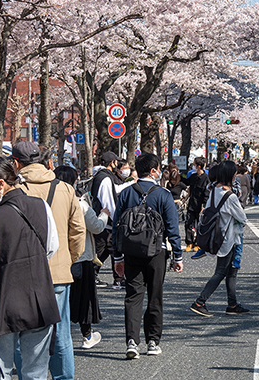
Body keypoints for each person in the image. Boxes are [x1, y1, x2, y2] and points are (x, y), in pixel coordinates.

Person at [0, 156, 60, 380]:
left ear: (0, 184)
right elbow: (51, 247)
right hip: (40, 299)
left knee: (0, 377)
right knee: (35, 378)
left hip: (4, 303)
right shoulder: (41, 207)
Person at [10, 140, 85, 380]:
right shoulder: (64, 188)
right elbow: (78, 230)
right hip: (58, 270)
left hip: (22, 270)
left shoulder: (16, 190)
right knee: (60, 328)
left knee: (23, 330)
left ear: (17, 163)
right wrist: (68, 258)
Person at [112, 153, 184, 359]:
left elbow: (117, 226)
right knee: (155, 295)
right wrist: (177, 256)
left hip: (131, 251)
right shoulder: (163, 194)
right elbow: (172, 227)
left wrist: (117, 257)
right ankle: (152, 341)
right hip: (157, 251)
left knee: (133, 296)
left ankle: (131, 342)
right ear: (153, 170)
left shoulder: (126, 193)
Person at [55, 165, 107, 350]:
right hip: (81, 256)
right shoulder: (80, 204)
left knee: (60, 298)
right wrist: (105, 215)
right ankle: (87, 335)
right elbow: (97, 227)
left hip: (57, 257)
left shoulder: (50, 202)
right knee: (84, 298)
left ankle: (57, 335)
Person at [190, 160, 249, 317]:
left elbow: (208, 208)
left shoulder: (215, 190)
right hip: (227, 238)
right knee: (221, 271)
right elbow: (242, 218)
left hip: (216, 235)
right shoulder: (230, 196)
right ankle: (200, 302)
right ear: (230, 175)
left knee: (231, 271)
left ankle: (232, 304)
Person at [89, 152, 121, 288]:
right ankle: (93, 275)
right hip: (106, 222)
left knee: (107, 249)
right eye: (116, 162)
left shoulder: (99, 176)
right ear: (111, 163)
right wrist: (115, 219)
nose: (117, 165)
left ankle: (117, 277)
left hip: (102, 221)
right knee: (104, 249)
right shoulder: (106, 179)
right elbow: (108, 202)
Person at [183, 158, 209, 250]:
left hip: (200, 205)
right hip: (191, 203)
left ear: (198, 166)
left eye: (194, 164)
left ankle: (198, 243)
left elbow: (207, 193)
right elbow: (185, 181)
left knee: (199, 225)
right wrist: (179, 174)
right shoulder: (193, 176)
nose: (193, 165)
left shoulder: (206, 178)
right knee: (188, 223)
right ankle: (189, 242)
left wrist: (204, 206)